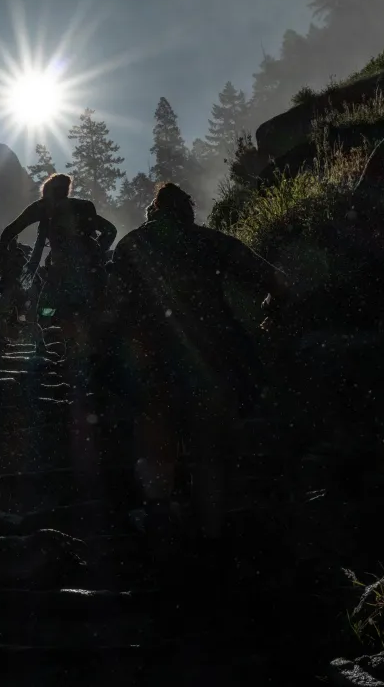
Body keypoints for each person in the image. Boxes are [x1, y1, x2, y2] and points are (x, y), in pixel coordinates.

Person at [109, 182, 290, 563]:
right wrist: (272, 308)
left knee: (158, 439)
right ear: (187, 211)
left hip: (154, 359)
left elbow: (115, 308)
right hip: (213, 358)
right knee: (207, 449)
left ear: (154, 213)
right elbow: (273, 279)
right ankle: (211, 539)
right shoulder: (211, 241)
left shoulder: (132, 246)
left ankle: (161, 523)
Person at [0, 173, 117, 351]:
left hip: (65, 270)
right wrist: (97, 253)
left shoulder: (44, 207)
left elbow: (11, 230)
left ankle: (49, 343)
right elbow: (110, 230)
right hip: (87, 270)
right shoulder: (82, 206)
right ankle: (74, 345)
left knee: (47, 309)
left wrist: (0, 254)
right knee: (82, 310)